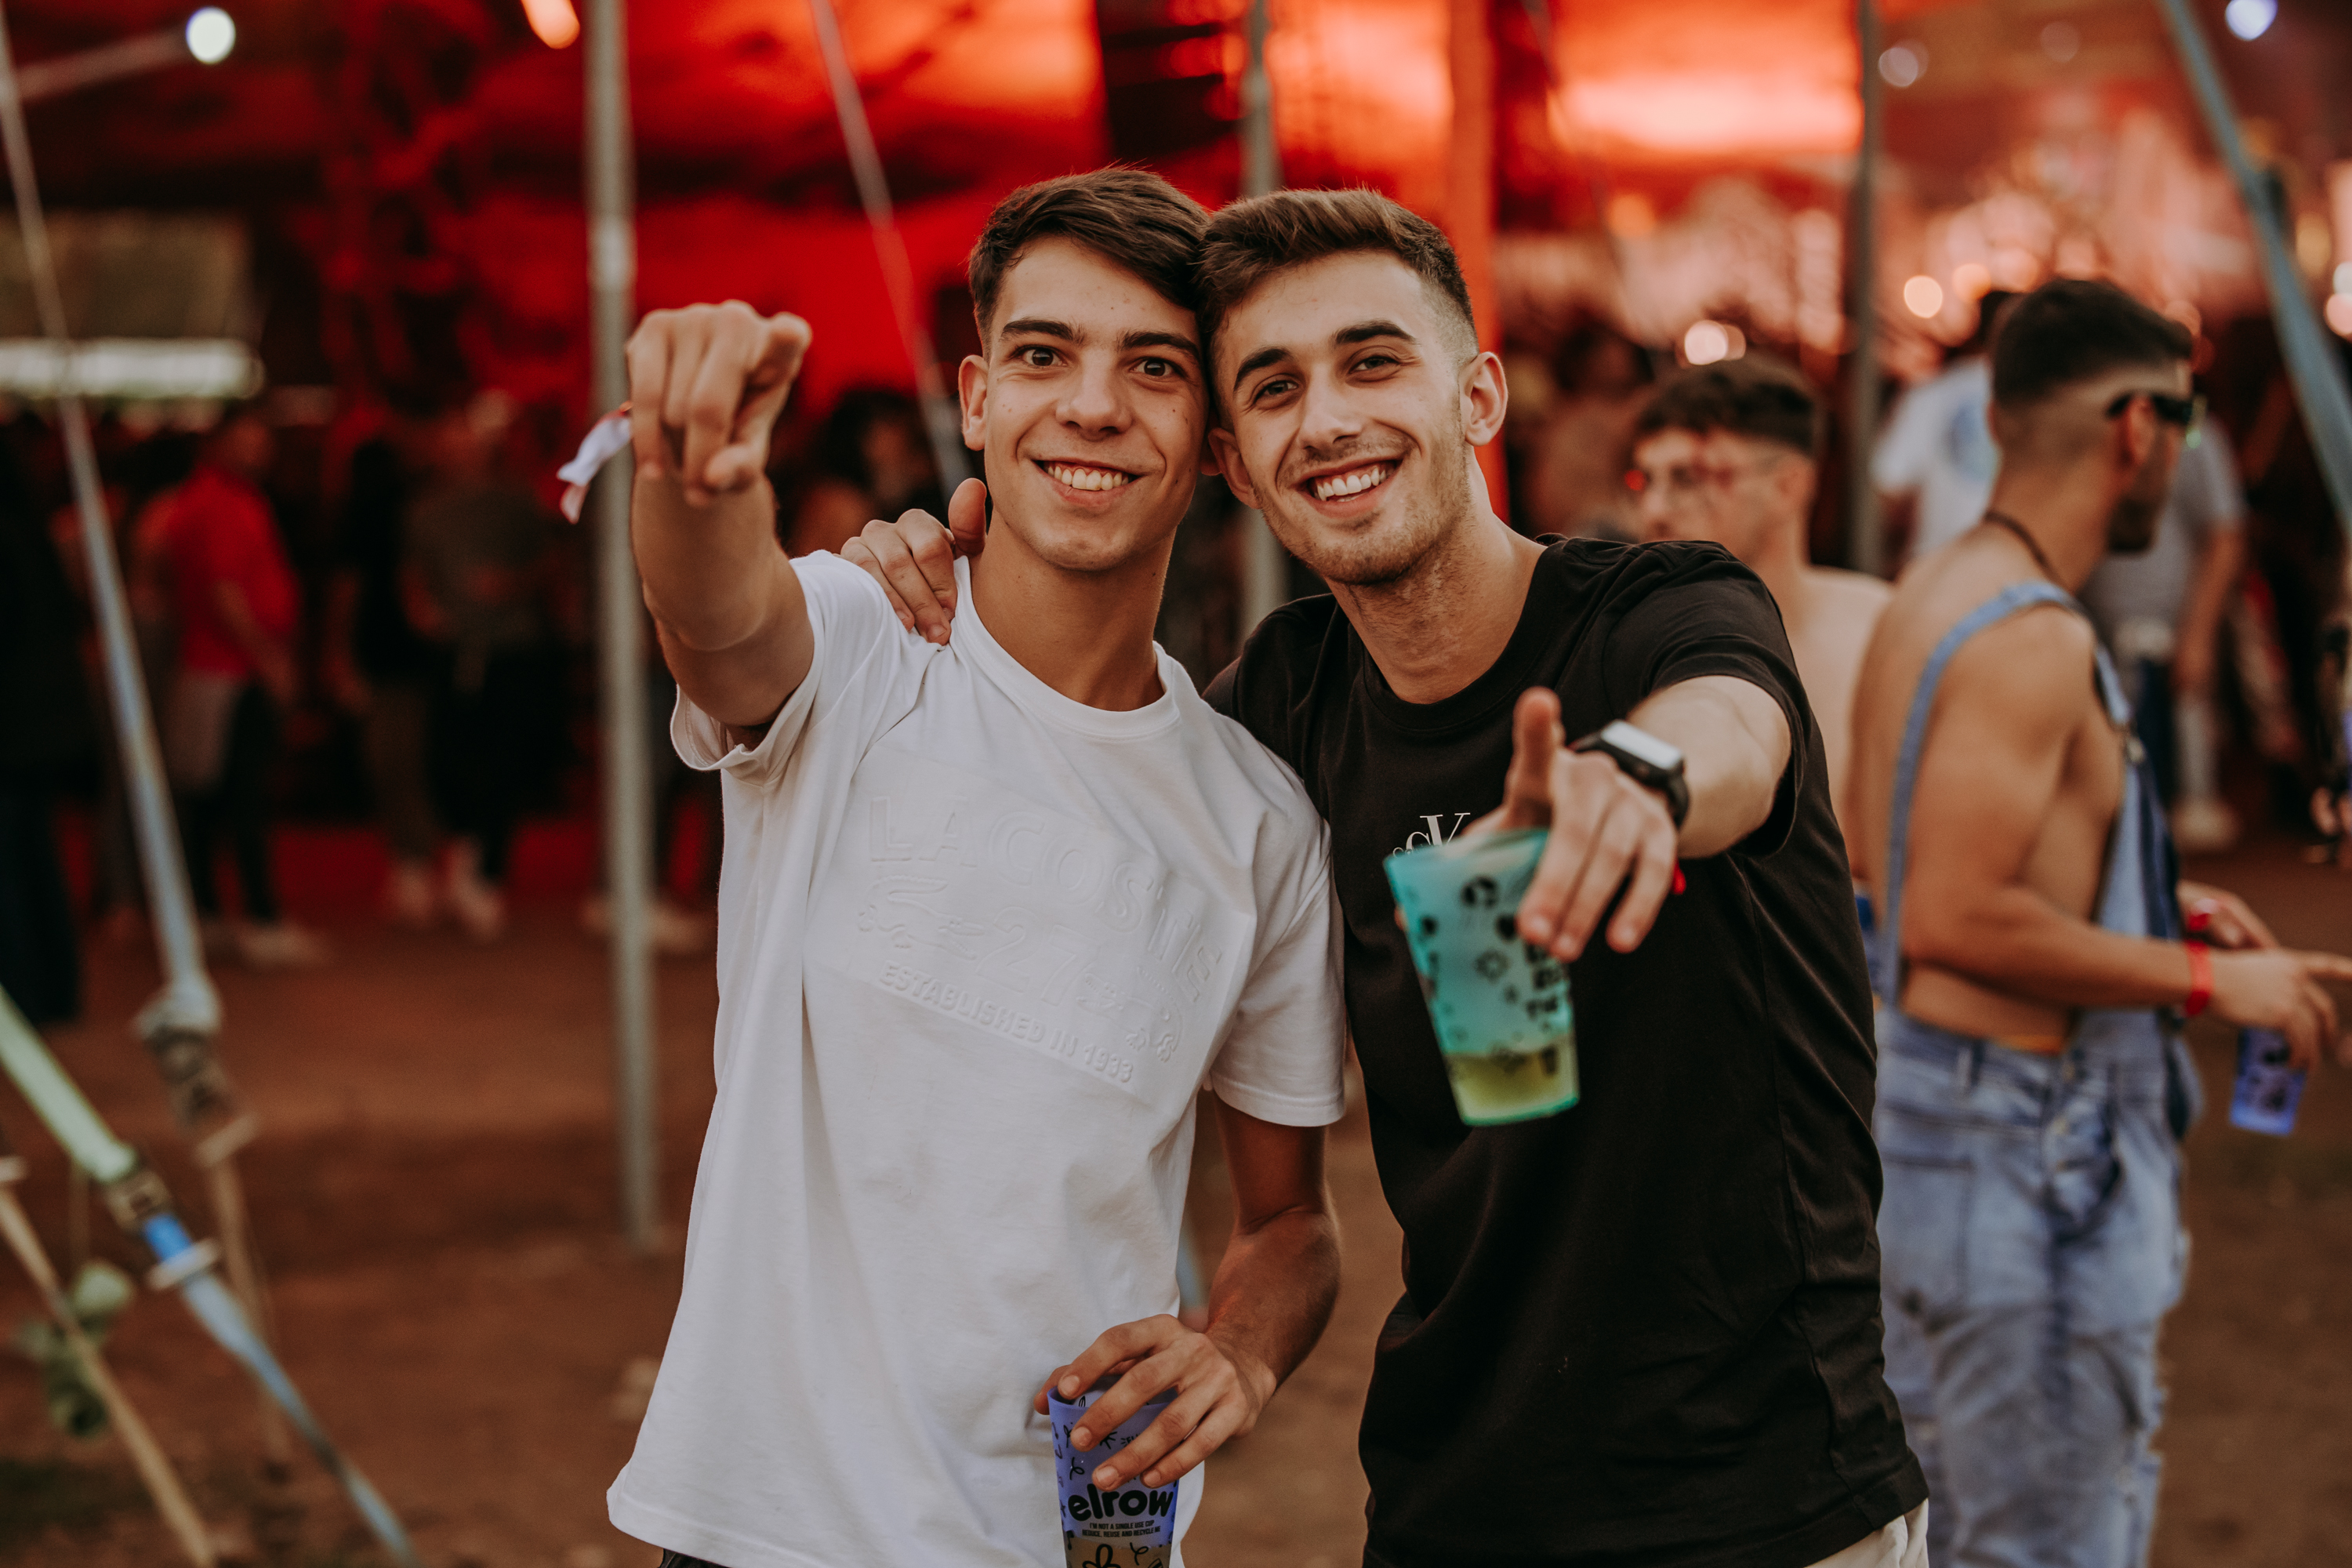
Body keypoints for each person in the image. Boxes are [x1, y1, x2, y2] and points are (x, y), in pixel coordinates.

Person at [851, 188, 1929, 1568]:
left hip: (1759, 1503)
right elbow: (1080, 768)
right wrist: (927, 571)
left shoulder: (1657, 615)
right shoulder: (1281, 711)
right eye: (1275, 388)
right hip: (1454, 1499)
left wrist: (1635, 781)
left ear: (1478, 397)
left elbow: (1736, 728)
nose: (1329, 421)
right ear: (1237, 465)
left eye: (1372, 362)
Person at [605, 170, 1349, 1568]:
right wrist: (697, 477)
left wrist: (1240, 1354)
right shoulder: (864, 644)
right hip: (770, 1532)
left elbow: (1292, 1219)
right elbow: (721, 625)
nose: (1093, 405)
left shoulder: (1260, 823)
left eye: (1155, 367)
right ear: (978, 398)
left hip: (1076, 1538)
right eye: (1044, 354)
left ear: (1216, 444)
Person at [1848, 278, 2352, 1568]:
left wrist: (2141, 901)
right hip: (2026, 1155)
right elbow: (1951, 913)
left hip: (1927, 1129)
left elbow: (1888, 859)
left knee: (1948, 1537)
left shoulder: (1928, 591)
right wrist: (2202, 983)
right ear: (2138, 428)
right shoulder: (2033, 640)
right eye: (2185, 421)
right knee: (2049, 1545)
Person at [1629, 359, 1891, 869]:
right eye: (1644, 480)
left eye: (1689, 478)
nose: (1654, 511)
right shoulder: (1627, 643)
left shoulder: (1876, 629)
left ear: (1787, 487)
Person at [143, 406, 324, 968]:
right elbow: (225, 590)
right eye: (246, 441)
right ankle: (259, 919)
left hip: (215, 665)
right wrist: (270, 660)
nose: (257, 452)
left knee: (208, 796)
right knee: (241, 798)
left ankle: (209, 914)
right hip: (228, 670)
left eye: (262, 442)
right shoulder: (219, 503)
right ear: (218, 442)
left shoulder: (211, 501)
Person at [401, 397, 565, 942]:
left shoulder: (517, 502)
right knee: (445, 761)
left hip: (511, 649)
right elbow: (413, 572)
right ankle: (466, 852)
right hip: (453, 651)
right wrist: (423, 610)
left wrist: (510, 585)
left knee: (503, 763)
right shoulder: (426, 510)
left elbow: (549, 564)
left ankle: (488, 872)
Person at [2081, 429, 2247, 851]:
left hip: (2166, 642)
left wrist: (2198, 636)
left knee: (2177, 800)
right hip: (2094, 640)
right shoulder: (2089, 430)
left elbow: (2225, 535)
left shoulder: (2195, 440)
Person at [323, 409, 445, 926]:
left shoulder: (365, 517)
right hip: (411, 655)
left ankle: (417, 863)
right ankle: (415, 864)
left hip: (385, 654)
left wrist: (338, 652)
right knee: (403, 760)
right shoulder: (415, 508)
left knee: (392, 762)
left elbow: (346, 592)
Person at [1872, 291, 2013, 565]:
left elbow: (1888, 485)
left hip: (1937, 565)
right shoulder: (2043, 402)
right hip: (2015, 568)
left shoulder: (1932, 392)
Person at [784, 383, 942, 557]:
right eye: (895, 427)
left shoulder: (845, 496)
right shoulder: (845, 508)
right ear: (867, 440)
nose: (904, 439)